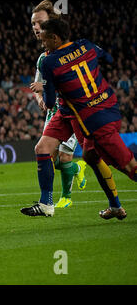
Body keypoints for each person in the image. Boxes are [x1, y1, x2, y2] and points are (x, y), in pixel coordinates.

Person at [22, 18, 136, 219]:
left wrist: (47, 87)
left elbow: (48, 103)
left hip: (95, 117)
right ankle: (47, 204)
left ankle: (114, 205)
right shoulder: (86, 44)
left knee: (129, 167)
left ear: (55, 37)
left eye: (45, 39)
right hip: (88, 107)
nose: (42, 42)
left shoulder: (48, 61)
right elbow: (107, 58)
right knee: (47, 149)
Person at [29, 0, 87, 209]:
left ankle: (65, 197)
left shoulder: (70, 50)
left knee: (67, 156)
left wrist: (45, 88)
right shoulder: (43, 58)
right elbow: (37, 87)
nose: (35, 27)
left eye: (39, 22)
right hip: (53, 112)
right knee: (50, 158)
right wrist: (41, 98)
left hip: (73, 109)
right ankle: (51, 199)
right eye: (33, 24)